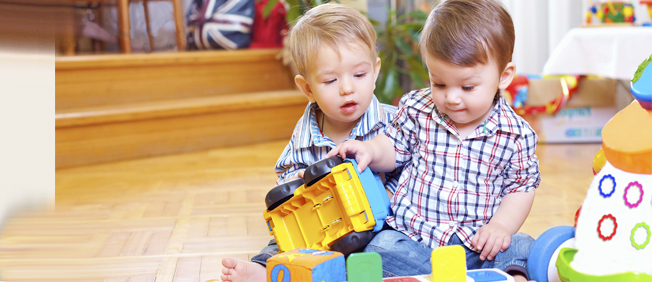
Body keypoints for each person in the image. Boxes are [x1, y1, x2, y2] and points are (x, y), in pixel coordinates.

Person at [328, 0, 540, 281]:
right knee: (379, 247)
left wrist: (501, 226)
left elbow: (521, 188)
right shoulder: (418, 109)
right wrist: (369, 149)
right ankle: (444, 276)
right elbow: (393, 147)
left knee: (523, 245)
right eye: (439, 83)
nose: (451, 97)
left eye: (467, 87)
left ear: (504, 76)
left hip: (477, 247)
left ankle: (482, 274)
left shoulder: (515, 134)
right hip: (416, 240)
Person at [220, 3, 400, 282]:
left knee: (386, 249)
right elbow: (287, 174)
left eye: (359, 75)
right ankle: (265, 270)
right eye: (330, 80)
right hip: (321, 229)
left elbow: (412, 171)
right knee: (283, 244)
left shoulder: (393, 122)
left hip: (377, 228)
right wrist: (299, 186)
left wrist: (390, 198)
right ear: (308, 89)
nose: (347, 88)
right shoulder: (305, 133)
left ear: (375, 72)